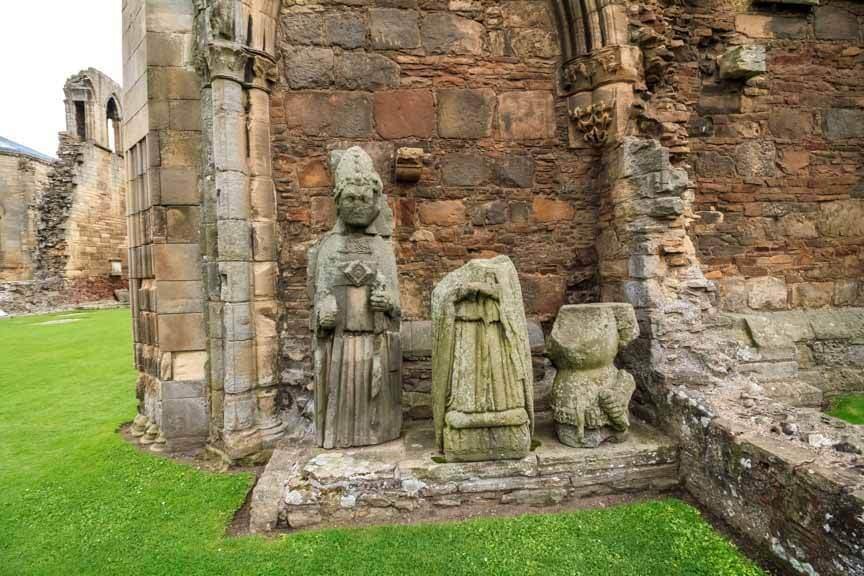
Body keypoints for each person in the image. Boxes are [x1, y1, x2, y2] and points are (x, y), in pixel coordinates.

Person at [308, 147, 402, 449]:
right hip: (342, 349)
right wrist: (324, 313)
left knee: (374, 401)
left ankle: (378, 432)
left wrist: (386, 303)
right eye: (350, 199)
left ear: (375, 202)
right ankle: (339, 436)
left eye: (364, 199)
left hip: (374, 344)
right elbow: (320, 296)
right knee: (343, 398)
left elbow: (397, 305)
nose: (358, 205)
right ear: (338, 202)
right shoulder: (330, 248)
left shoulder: (381, 248)